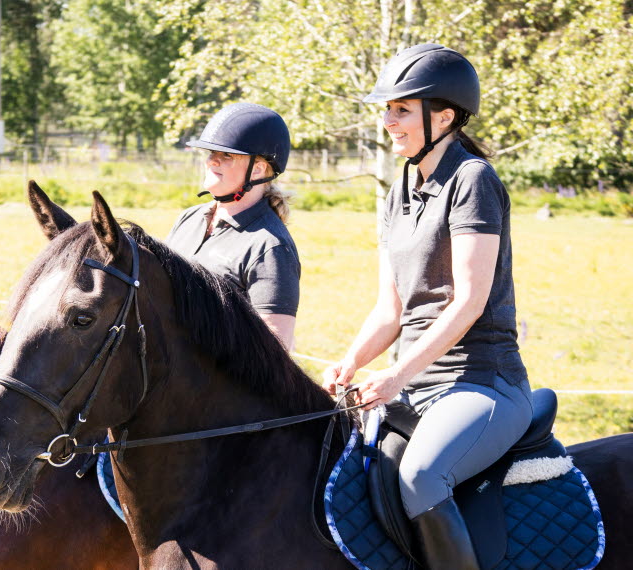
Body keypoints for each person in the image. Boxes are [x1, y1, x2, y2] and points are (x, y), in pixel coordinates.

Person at [322, 44, 533, 570]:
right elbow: (390, 311)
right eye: (387, 110)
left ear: (443, 117)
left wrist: (396, 376)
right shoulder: (399, 191)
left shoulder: (473, 180)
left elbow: (469, 302)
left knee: (422, 476)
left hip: (482, 382)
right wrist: (350, 363)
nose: (388, 121)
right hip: (418, 384)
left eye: (401, 109)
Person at [165, 102, 300, 349]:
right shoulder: (188, 219)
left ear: (257, 170)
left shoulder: (270, 246)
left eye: (226, 156)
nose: (211, 162)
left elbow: (275, 349)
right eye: (211, 153)